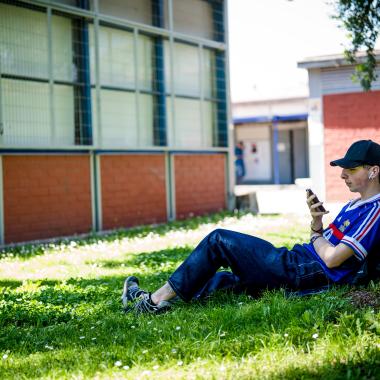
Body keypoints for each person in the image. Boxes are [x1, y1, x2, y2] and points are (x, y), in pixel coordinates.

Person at [121, 139, 380, 314]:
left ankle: (153, 303)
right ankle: (151, 297)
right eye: (343, 168)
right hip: (298, 263)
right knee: (224, 280)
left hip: (302, 271)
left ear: (373, 171)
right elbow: (327, 245)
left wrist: (315, 237)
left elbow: (333, 258)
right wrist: (316, 222)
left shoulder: (374, 211)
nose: (343, 174)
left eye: (351, 168)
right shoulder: (354, 205)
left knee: (219, 239)